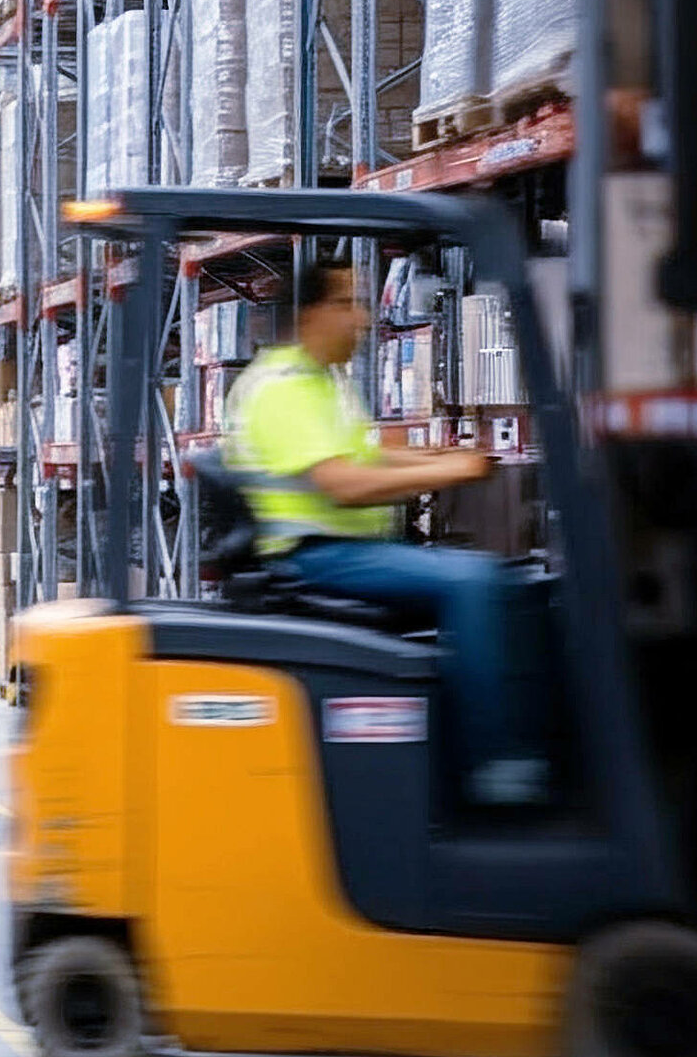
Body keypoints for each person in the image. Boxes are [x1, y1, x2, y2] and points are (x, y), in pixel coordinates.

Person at [223, 261, 541, 804]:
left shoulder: (323, 380)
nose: (363, 319)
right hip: (314, 556)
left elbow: (367, 456)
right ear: (311, 314)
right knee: (474, 580)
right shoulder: (284, 387)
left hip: (346, 548)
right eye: (348, 304)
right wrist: (449, 471)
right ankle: (495, 767)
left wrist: (443, 454)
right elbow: (342, 483)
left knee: (516, 579)